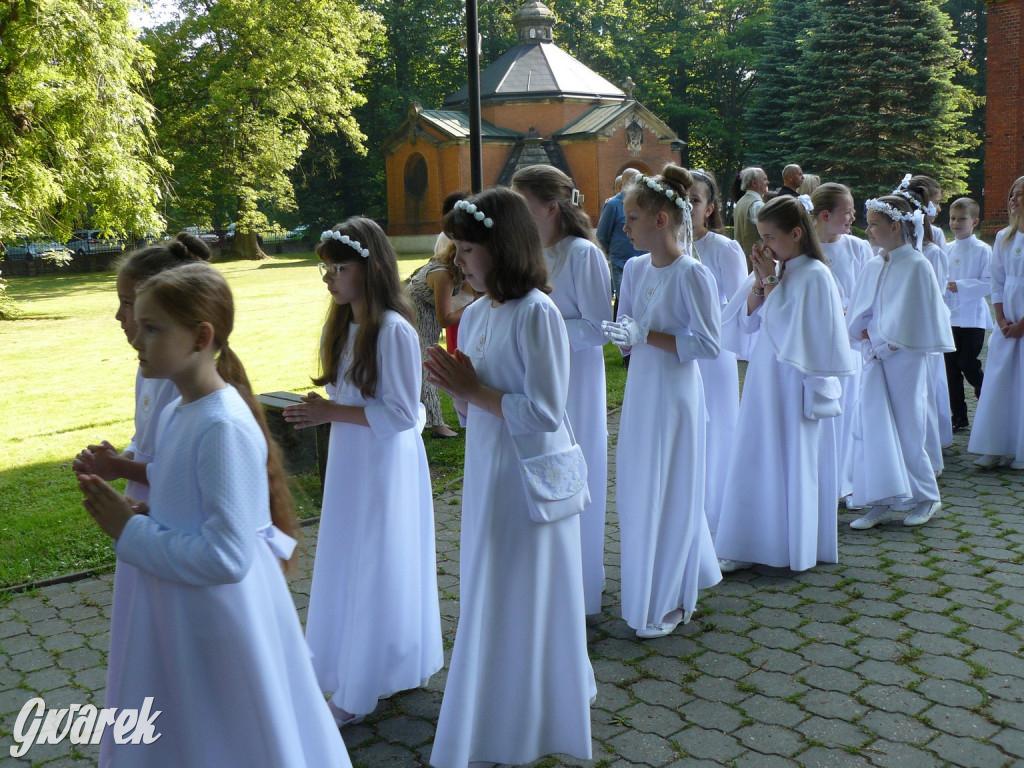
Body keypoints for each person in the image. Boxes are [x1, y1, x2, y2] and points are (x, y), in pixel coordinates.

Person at [76, 262, 352, 768]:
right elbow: (194, 501)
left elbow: (227, 557)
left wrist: (130, 530)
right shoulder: (183, 411)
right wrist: (145, 508)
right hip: (183, 611)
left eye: (152, 327)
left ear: (200, 336)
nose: (137, 336)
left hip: (213, 623)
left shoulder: (220, 425)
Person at [423, 187, 594, 768]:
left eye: (468, 249)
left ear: (504, 248)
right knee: (487, 582)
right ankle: (491, 704)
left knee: (525, 587)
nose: (458, 261)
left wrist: (474, 390)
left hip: (528, 479)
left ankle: (532, 714)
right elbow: (476, 412)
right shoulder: (474, 315)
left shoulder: (537, 313)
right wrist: (458, 390)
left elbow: (547, 409)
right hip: (487, 471)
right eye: (457, 250)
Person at [284, 218, 443, 727]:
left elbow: (402, 414)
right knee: (349, 559)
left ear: (369, 268)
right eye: (324, 268)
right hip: (353, 461)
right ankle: (357, 662)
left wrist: (330, 413)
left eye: (339, 267)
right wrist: (322, 409)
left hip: (384, 466)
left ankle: (362, 688)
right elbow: (349, 397)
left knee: (377, 561)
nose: (328, 277)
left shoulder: (394, 329)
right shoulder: (344, 325)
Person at [73, 234, 211, 767]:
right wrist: (119, 458)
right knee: (141, 631)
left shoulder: (189, 380)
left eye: (128, 304)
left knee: (166, 633)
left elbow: (177, 470)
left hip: (169, 523)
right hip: (144, 514)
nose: (118, 315)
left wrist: (118, 469)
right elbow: (150, 442)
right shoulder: (150, 367)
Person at [602, 165, 722, 637]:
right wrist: (623, 339)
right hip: (642, 392)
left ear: (659, 221)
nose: (623, 226)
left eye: (631, 218)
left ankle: (673, 595)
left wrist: (646, 335)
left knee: (672, 487)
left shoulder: (692, 274)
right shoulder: (633, 268)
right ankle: (644, 582)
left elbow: (710, 344)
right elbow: (630, 332)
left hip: (676, 394)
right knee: (639, 484)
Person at [715, 196, 854, 572]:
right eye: (760, 237)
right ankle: (752, 540)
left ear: (796, 233)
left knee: (790, 457)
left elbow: (792, 331)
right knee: (758, 452)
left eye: (770, 237)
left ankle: (790, 546)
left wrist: (771, 282)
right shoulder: (779, 268)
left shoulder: (814, 273)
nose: (763, 247)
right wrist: (760, 284)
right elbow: (744, 324)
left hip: (796, 382)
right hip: (766, 377)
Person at [512, 164, 612, 615]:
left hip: (577, 384)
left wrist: (544, 330)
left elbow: (597, 327)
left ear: (551, 207)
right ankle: (547, 588)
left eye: (524, 206)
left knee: (576, 472)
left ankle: (582, 591)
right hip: (537, 380)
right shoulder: (526, 251)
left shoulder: (581, 254)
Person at [845, 195, 954, 529]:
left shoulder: (917, 264)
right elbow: (862, 307)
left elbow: (920, 315)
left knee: (908, 426)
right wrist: (862, 333)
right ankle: (880, 496)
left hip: (905, 358)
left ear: (895, 226)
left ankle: (926, 496)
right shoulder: (874, 263)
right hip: (874, 356)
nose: (869, 230)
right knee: (874, 427)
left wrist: (891, 345)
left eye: (875, 224)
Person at [687, 168, 748, 536]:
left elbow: (739, 302)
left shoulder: (724, 248)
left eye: (695, 200)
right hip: (675, 355)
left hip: (713, 353)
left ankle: (718, 519)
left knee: (718, 432)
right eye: (681, 200)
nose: (687, 207)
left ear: (709, 208)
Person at [810, 183, 873, 501]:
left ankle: (847, 480)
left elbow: (870, 292)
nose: (852, 217)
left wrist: (856, 314)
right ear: (825, 215)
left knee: (850, 410)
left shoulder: (858, 248)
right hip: (819, 344)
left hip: (850, 343)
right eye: (847, 212)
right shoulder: (807, 250)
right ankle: (821, 478)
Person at [407, 192, 477, 438]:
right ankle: (437, 424)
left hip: (425, 320)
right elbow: (445, 317)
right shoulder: (443, 274)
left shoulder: (451, 271)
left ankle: (420, 417)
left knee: (424, 366)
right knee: (427, 366)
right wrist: (475, 306)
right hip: (415, 319)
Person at [899, 175, 953, 468]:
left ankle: (929, 451)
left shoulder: (931, 252)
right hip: (897, 333)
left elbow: (936, 295)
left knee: (927, 391)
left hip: (921, 330)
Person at [970, 176, 1024, 468]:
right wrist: (1001, 317)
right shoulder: (1004, 237)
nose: (1013, 200)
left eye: (1019, 195)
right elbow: (998, 281)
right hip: (1008, 320)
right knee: (1001, 379)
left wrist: (1022, 324)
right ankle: (996, 444)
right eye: (1012, 195)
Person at [943, 197, 992, 433]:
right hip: (950, 316)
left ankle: (986, 394)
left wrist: (960, 285)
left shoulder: (983, 250)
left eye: (962, 219)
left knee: (967, 363)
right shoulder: (946, 248)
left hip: (972, 317)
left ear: (974, 221)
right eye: (953, 218)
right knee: (951, 368)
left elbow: (989, 283)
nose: (956, 223)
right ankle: (959, 416)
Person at [597, 167, 642, 307]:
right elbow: (601, 235)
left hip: (643, 263)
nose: (638, 184)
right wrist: (610, 256)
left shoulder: (645, 204)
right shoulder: (612, 205)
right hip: (621, 264)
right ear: (623, 184)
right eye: (634, 181)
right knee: (626, 303)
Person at [732, 166, 769, 268]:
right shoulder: (757, 205)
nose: (767, 182)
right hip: (757, 260)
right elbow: (766, 235)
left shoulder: (740, 202)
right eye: (764, 179)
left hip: (742, 259)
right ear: (754, 183)